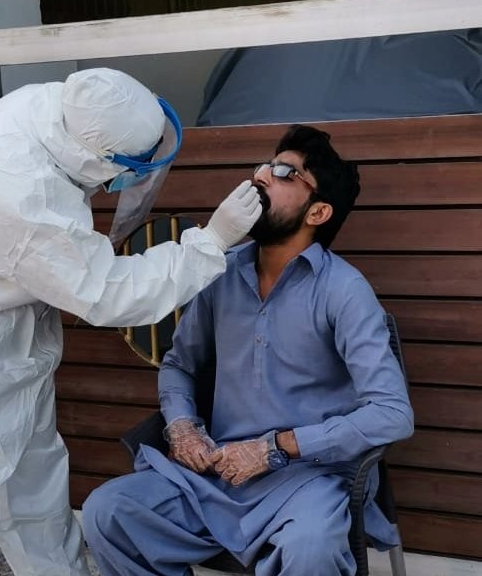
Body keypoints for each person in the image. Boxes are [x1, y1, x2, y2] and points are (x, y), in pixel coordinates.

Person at [0, 67, 262, 576]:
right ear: (98, 156)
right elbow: (107, 293)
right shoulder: (18, 194)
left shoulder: (59, 108)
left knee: (37, 494)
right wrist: (210, 243)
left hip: (9, 325)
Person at [83, 124, 414, 576]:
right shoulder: (219, 273)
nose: (261, 175)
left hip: (306, 480)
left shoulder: (344, 290)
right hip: (216, 476)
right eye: (264, 166)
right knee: (109, 512)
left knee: (311, 548)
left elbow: (392, 413)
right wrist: (182, 427)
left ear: (318, 212)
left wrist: (278, 446)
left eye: (285, 172)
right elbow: (179, 365)